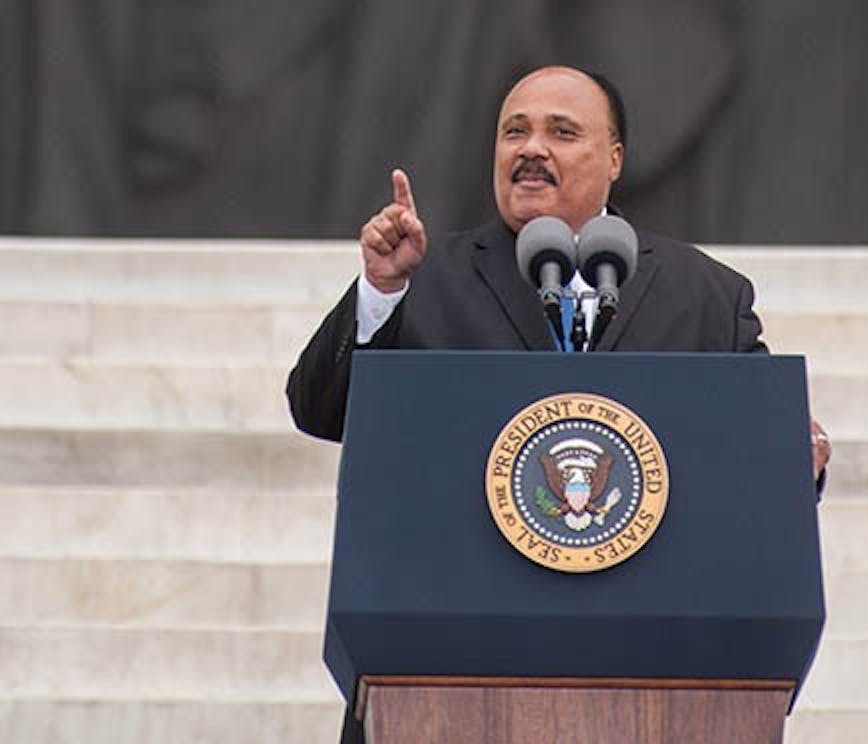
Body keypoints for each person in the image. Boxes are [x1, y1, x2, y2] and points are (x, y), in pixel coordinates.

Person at [289, 64, 831, 743]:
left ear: (614, 159)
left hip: (656, 678)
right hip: (448, 669)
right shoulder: (426, 277)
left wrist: (796, 460)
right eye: (514, 131)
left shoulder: (706, 294)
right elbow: (318, 408)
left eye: (561, 131)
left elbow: (759, 454)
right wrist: (380, 292)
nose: (531, 148)